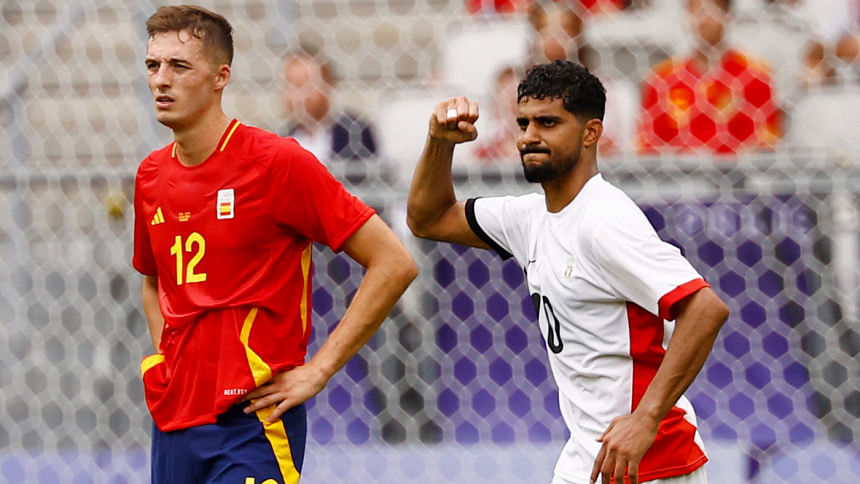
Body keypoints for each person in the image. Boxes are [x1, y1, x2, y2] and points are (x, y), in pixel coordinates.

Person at [407, 60, 730, 484]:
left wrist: (645, 419)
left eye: (548, 123)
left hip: (649, 462)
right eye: (523, 123)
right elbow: (428, 219)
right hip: (589, 457)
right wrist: (439, 142)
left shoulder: (604, 222)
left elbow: (705, 309)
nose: (529, 136)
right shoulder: (530, 217)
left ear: (590, 133)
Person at [133, 5, 416, 483]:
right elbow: (153, 282)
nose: (161, 80)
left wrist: (319, 370)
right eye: (153, 65)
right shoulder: (151, 175)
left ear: (221, 77)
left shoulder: (277, 162)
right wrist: (171, 361)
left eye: (179, 66)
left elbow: (393, 261)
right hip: (175, 422)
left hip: (252, 422)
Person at [636, 0, 782, 155]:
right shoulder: (663, 78)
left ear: (727, 15)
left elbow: (764, 145)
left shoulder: (755, 75)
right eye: (695, 11)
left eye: (710, 10)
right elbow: (648, 146)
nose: (702, 19)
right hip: (677, 169)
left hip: (735, 169)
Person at [280, 49, 381, 183]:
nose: (298, 94)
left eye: (304, 84)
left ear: (328, 86)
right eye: (290, 84)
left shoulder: (354, 131)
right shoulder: (283, 140)